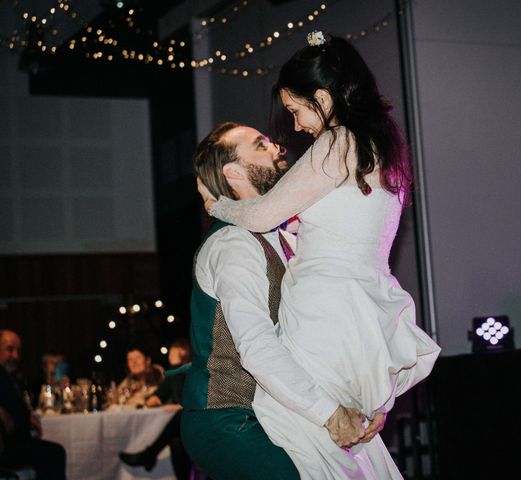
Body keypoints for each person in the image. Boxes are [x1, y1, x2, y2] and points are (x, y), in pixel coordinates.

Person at [200, 32, 441, 478]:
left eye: (296, 110)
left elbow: (262, 214)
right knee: (342, 447)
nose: (293, 127)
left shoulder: (336, 144)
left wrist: (217, 206)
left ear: (324, 98)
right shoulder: (381, 149)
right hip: (363, 315)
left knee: (304, 439)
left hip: (324, 315)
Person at [181, 121, 373, 480]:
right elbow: (256, 345)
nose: (277, 149)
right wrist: (330, 414)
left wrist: (361, 400)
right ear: (234, 171)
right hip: (227, 418)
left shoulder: (287, 238)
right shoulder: (233, 245)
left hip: (279, 412)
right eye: (260, 145)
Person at [119, 339, 191, 479]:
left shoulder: (194, 371)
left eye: (137, 358)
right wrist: (155, 399)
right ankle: (149, 455)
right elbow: (156, 397)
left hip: (199, 421)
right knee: (176, 442)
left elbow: (181, 400)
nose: (169, 357)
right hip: (177, 427)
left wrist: (176, 365)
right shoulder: (129, 380)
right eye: (129, 359)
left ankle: (149, 454)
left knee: (178, 437)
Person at [0, 329, 66, 479]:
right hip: (7, 446)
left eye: (18, 351)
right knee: (54, 453)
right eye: (10, 349)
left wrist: (27, 415)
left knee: (52, 452)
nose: (15, 356)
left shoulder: (9, 374)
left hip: (17, 439)